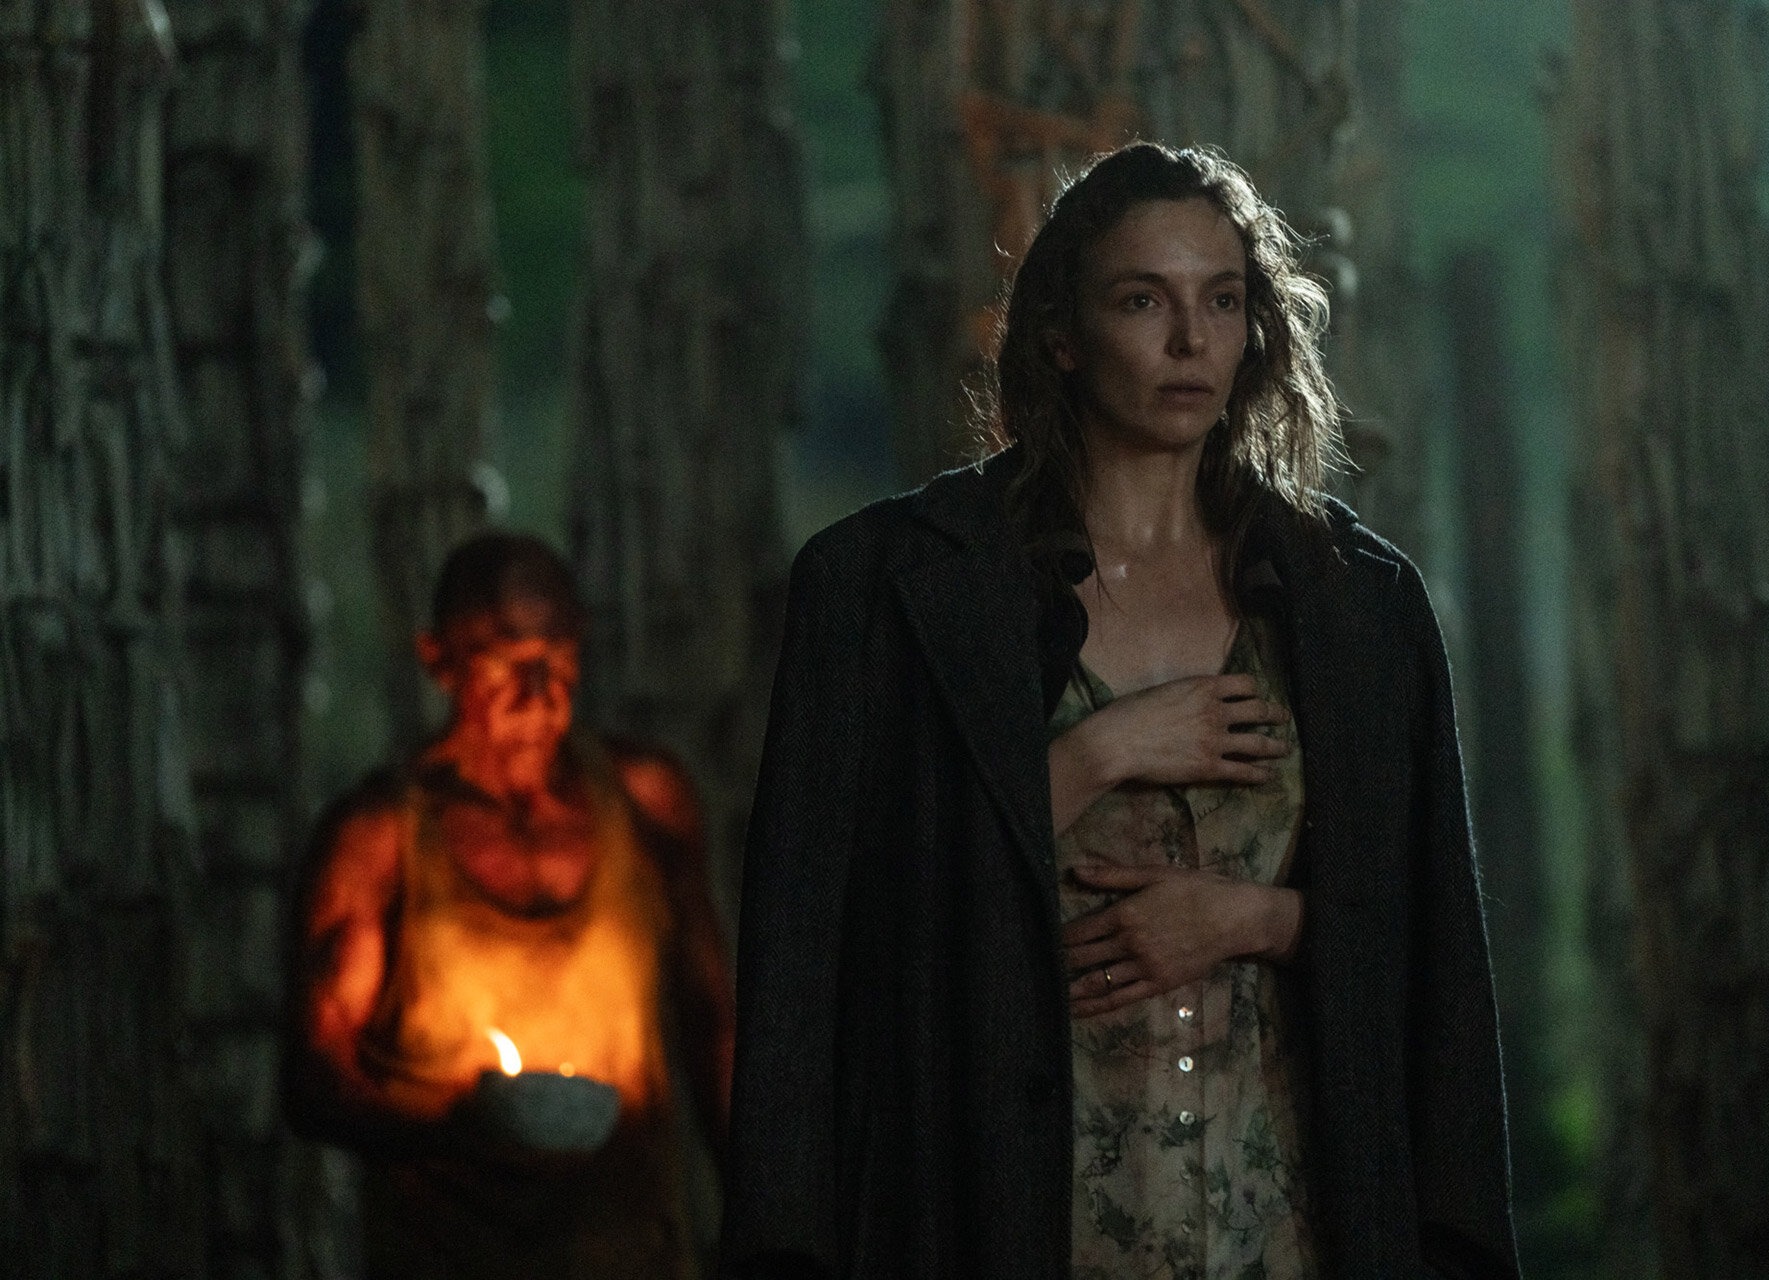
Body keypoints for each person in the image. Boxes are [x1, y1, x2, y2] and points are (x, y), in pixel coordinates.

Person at [722, 143, 1520, 1280]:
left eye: (1222, 301)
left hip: (1286, 1231)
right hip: (996, 1222)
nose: (1190, 340)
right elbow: (816, 953)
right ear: (1062, 333)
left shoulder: (1355, 603)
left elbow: (1438, 959)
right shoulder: (887, 587)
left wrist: (1256, 920)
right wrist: (1091, 754)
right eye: (1143, 300)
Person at [286, 532, 734, 1280]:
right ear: (439, 662)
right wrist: (468, 1124)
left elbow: (713, 1024)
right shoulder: (379, 839)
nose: (541, 694)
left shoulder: (645, 802)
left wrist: (767, 1215)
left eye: (560, 658)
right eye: (506, 663)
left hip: (632, 1257)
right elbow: (315, 1082)